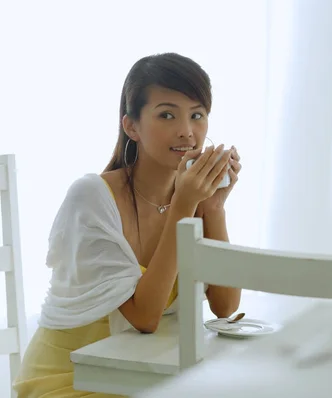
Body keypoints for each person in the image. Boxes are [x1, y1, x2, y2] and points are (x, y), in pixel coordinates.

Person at [13, 52, 242, 397]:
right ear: (131, 126)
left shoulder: (191, 198)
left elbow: (225, 307)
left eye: (197, 115)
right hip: (68, 379)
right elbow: (145, 317)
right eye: (167, 114)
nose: (187, 131)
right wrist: (185, 204)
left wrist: (213, 208)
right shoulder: (92, 196)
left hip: (144, 376)